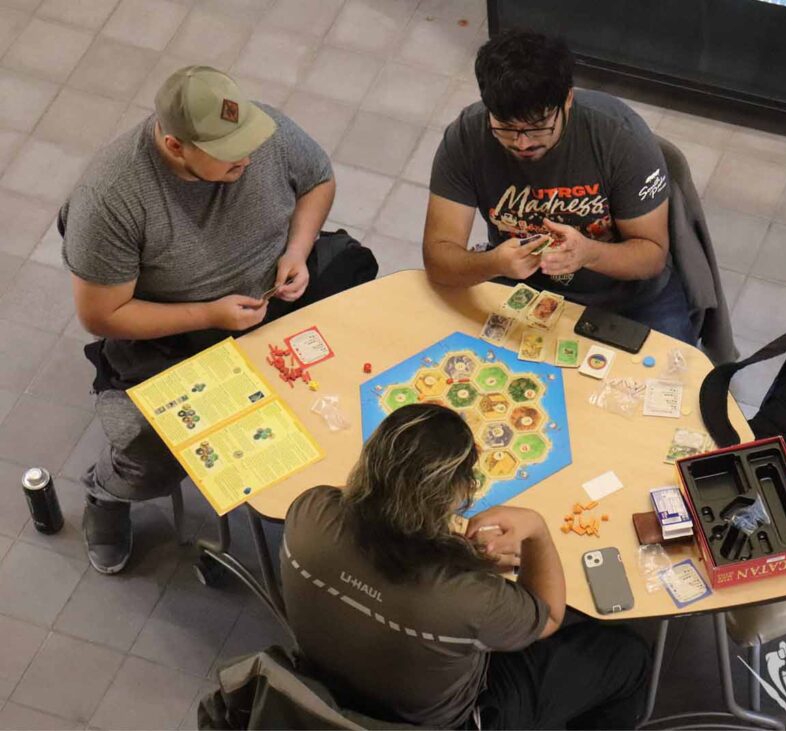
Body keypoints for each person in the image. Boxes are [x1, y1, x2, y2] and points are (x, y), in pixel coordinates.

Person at [62, 65, 374, 575]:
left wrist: (298, 249)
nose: (248, 157)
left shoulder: (261, 134)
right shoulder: (112, 198)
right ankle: (106, 493)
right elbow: (101, 314)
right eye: (229, 152)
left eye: (248, 141)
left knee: (357, 322)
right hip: (179, 334)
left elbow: (318, 179)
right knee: (151, 455)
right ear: (175, 145)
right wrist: (210, 313)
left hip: (274, 292)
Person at [282, 404, 650, 729]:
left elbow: (365, 513)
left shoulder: (308, 513)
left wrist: (452, 551)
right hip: (443, 721)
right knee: (628, 657)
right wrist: (536, 529)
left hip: (322, 691)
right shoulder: (469, 596)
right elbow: (549, 617)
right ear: (457, 495)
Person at [424, 29, 695, 343]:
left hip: (629, 298)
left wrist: (589, 253)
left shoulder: (620, 139)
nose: (522, 143)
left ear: (567, 99)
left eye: (538, 127)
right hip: (522, 288)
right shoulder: (467, 137)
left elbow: (651, 255)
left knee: (680, 381)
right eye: (506, 128)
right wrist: (493, 262)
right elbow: (438, 261)